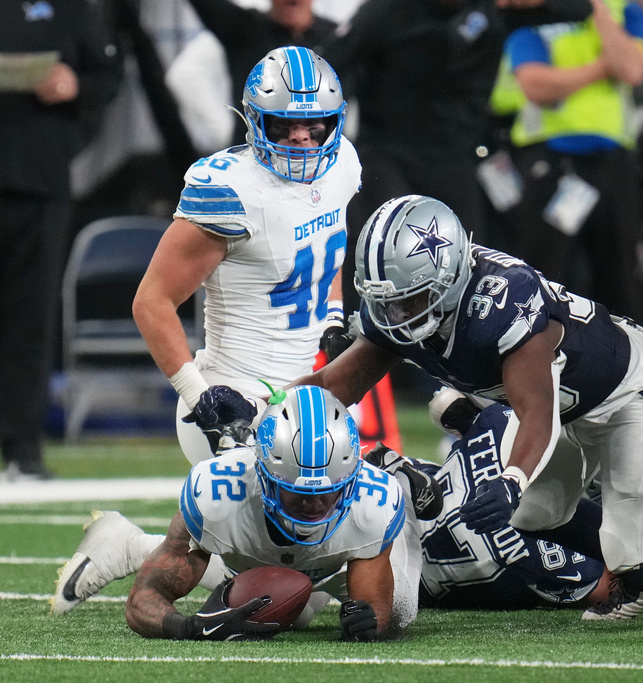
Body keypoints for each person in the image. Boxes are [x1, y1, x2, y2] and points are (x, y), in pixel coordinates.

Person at [288, 193, 643, 621]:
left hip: (631, 390)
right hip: (567, 406)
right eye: (388, 303)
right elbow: (332, 387)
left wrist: (512, 479)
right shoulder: (402, 312)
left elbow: (537, 411)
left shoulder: (502, 302)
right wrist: (268, 421)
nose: (398, 316)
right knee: (534, 517)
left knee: (641, 567)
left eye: (412, 299)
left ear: (450, 275)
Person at [133, 45, 359, 466]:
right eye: (283, 125)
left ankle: (145, 539)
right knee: (273, 523)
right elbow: (152, 301)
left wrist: (331, 320)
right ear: (255, 120)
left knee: (353, 520)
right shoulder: (230, 191)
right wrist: (200, 397)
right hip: (235, 397)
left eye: (314, 124)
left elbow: (328, 249)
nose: (301, 136)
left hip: (312, 393)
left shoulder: (343, 163)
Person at [321, 0, 594, 313]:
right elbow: (329, 67)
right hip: (387, 152)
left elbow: (580, 9)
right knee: (382, 247)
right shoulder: (387, 10)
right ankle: (364, 337)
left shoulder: (495, 9)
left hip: (456, 158)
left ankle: (456, 348)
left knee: (470, 263)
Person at [124, 385, 416, 641]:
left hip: (337, 568)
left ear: (351, 479)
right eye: (298, 492)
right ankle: (126, 544)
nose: (314, 503)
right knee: (290, 618)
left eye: (328, 491)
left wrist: (368, 624)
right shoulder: (218, 495)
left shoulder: (372, 503)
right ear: (263, 474)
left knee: (405, 610)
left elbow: (377, 611)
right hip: (253, 565)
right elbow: (142, 601)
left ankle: (401, 470)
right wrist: (188, 627)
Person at [0, 0, 122, 481]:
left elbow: (108, 76)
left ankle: (22, 447)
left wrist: (75, 85)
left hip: (39, 180)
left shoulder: (72, 9)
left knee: (29, 319)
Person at [504, 0, 643, 321]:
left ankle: (626, 362)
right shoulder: (535, 8)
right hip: (550, 161)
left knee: (621, 279)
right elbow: (536, 84)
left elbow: (632, 69)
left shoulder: (624, 10)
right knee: (542, 278)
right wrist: (603, 67)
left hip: (613, 163)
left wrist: (597, 9)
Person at [412, 389, 614, 610]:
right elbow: (604, 589)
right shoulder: (571, 557)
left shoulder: (498, 419)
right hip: (411, 579)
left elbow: (445, 404)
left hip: (403, 507)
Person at [181, 0, 342, 146]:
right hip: (254, 157)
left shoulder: (337, 37)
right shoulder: (246, 29)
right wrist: (221, 131)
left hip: (320, 159)